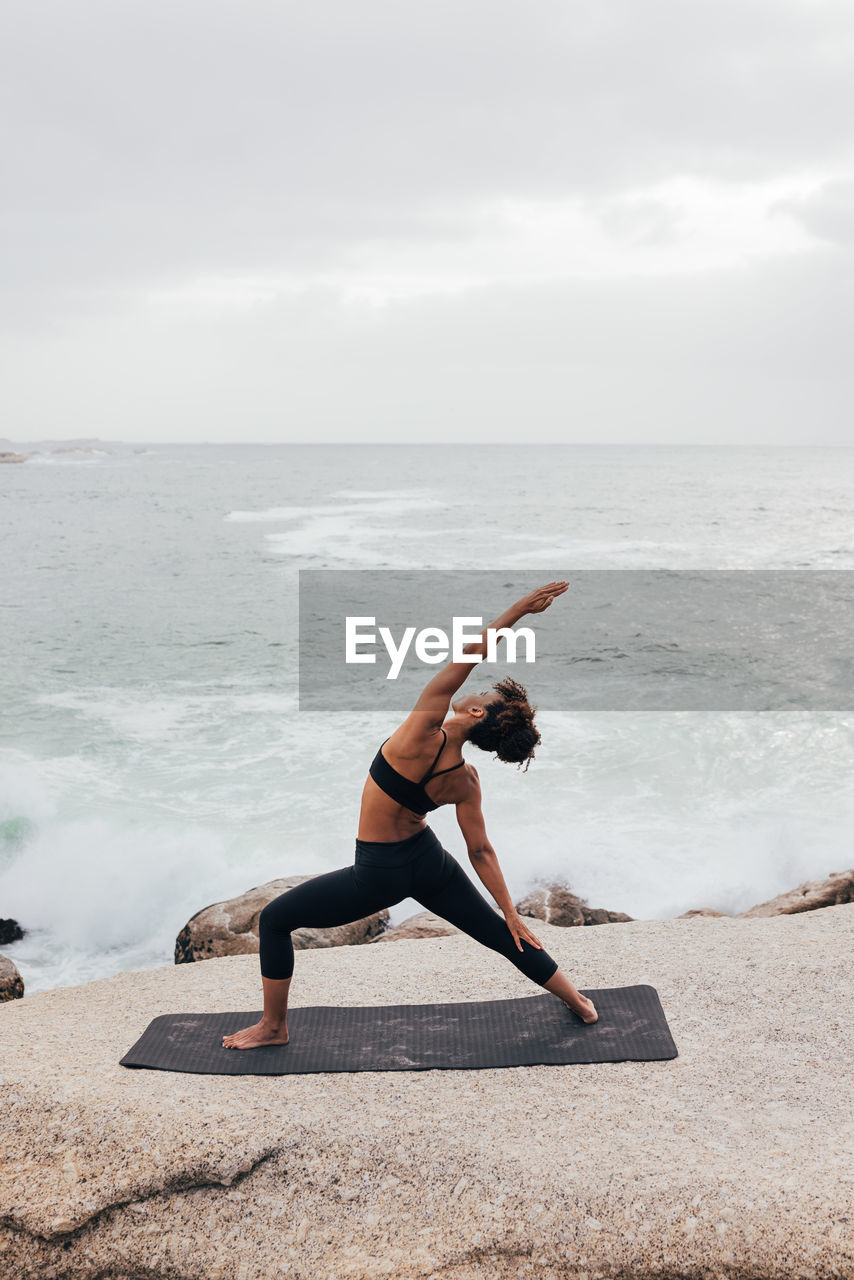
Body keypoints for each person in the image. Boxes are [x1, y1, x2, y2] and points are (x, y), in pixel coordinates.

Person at [223, 581, 598, 1049]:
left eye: (479, 692)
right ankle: (579, 1002)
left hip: (379, 872)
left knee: (277, 919)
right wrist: (509, 912)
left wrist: (518, 610)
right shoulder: (467, 779)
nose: (472, 688)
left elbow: (470, 652)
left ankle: (274, 1028)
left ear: (477, 710)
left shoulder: (421, 730)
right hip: (428, 860)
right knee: (503, 936)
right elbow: (480, 850)